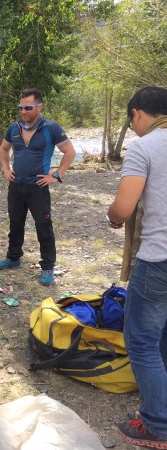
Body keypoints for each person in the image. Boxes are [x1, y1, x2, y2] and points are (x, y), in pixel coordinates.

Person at [107, 86, 167, 448]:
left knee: (142, 341)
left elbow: (123, 208)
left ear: (137, 115)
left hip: (158, 259)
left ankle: (158, 425)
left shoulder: (144, 147)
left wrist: (113, 217)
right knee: (163, 336)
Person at [0, 88, 76, 286]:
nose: (24, 111)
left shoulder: (51, 128)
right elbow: (3, 149)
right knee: (15, 224)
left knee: (44, 227)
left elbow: (70, 152)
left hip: (38, 187)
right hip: (16, 185)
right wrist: (6, 168)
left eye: (28, 107)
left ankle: (47, 266)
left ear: (39, 106)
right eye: (21, 107)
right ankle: (13, 257)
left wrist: (56, 175)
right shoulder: (14, 128)